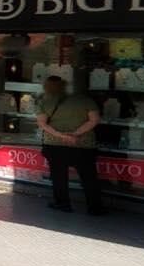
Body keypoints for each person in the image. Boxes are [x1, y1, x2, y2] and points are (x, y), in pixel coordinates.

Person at [35, 76, 105, 215]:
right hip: (83, 144)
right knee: (88, 177)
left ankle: (62, 204)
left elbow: (42, 123)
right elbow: (95, 120)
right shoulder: (86, 100)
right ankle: (95, 207)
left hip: (55, 144)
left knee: (58, 176)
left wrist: (61, 135)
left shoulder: (46, 101)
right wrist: (76, 134)